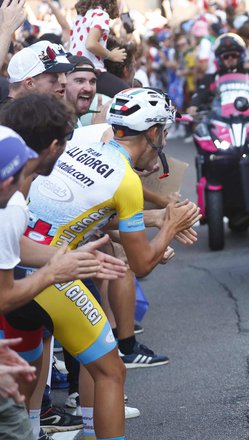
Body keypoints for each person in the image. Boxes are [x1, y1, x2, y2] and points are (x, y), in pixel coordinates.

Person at [3, 88, 199, 440]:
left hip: (17, 253)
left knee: (29, 364)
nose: (165, 139)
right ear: (153, 133)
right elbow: (141, 266)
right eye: (164, 132)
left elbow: (88, 214)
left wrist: (153, 221)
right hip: (50, 275)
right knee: (110, 372)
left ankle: (30, 432)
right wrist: (169, 227)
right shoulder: (126, 181)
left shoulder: (77, 143)